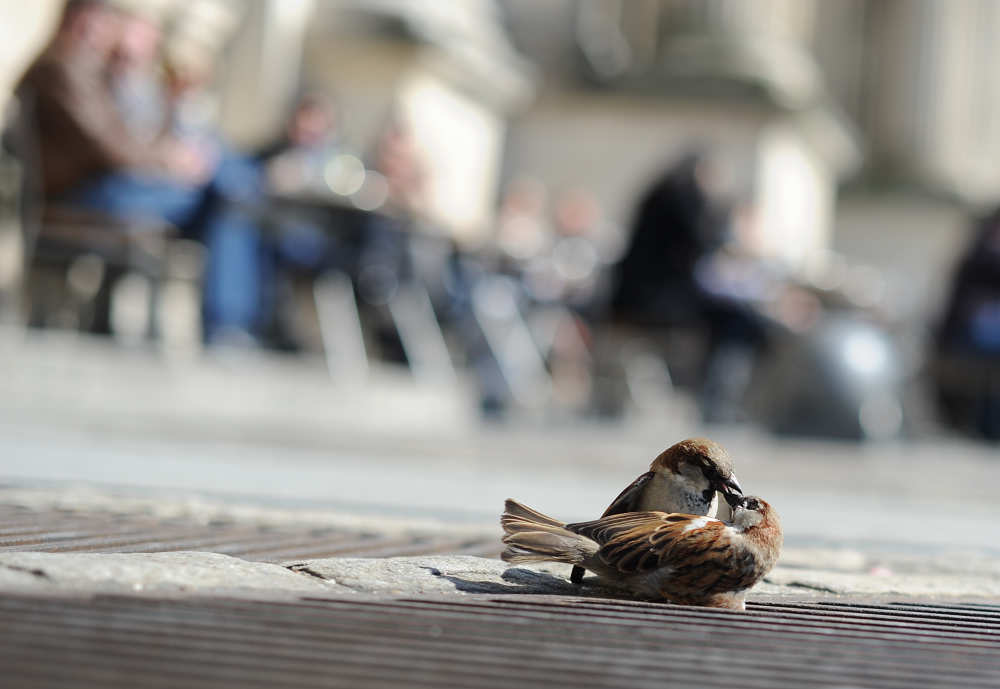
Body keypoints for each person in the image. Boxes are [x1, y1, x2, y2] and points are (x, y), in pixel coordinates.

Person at [16, 0, 267, 344]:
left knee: (225, 200)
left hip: (107, 188)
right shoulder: (63, 67)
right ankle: (228, 326)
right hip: (85, 195)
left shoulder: (95, 69)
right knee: (225, 193)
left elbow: (130, 138)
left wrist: (169, 114)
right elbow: (110, 146)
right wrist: (170, 160)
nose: (102, 31)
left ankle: (229, 325)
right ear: (76, 19)